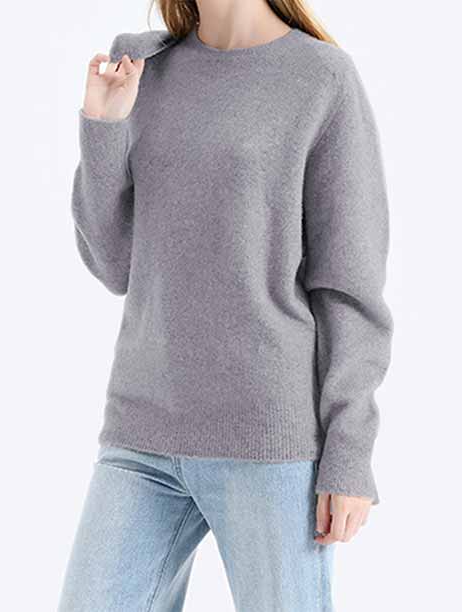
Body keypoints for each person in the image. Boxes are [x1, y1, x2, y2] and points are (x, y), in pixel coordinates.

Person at [58, 0, 393, 610]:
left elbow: (349, 285)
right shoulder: (142, 66)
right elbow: (114, 266)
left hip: (268, 439)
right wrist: (103, 126)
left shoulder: (321, 78)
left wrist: (349, 450)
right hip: (141, 430)